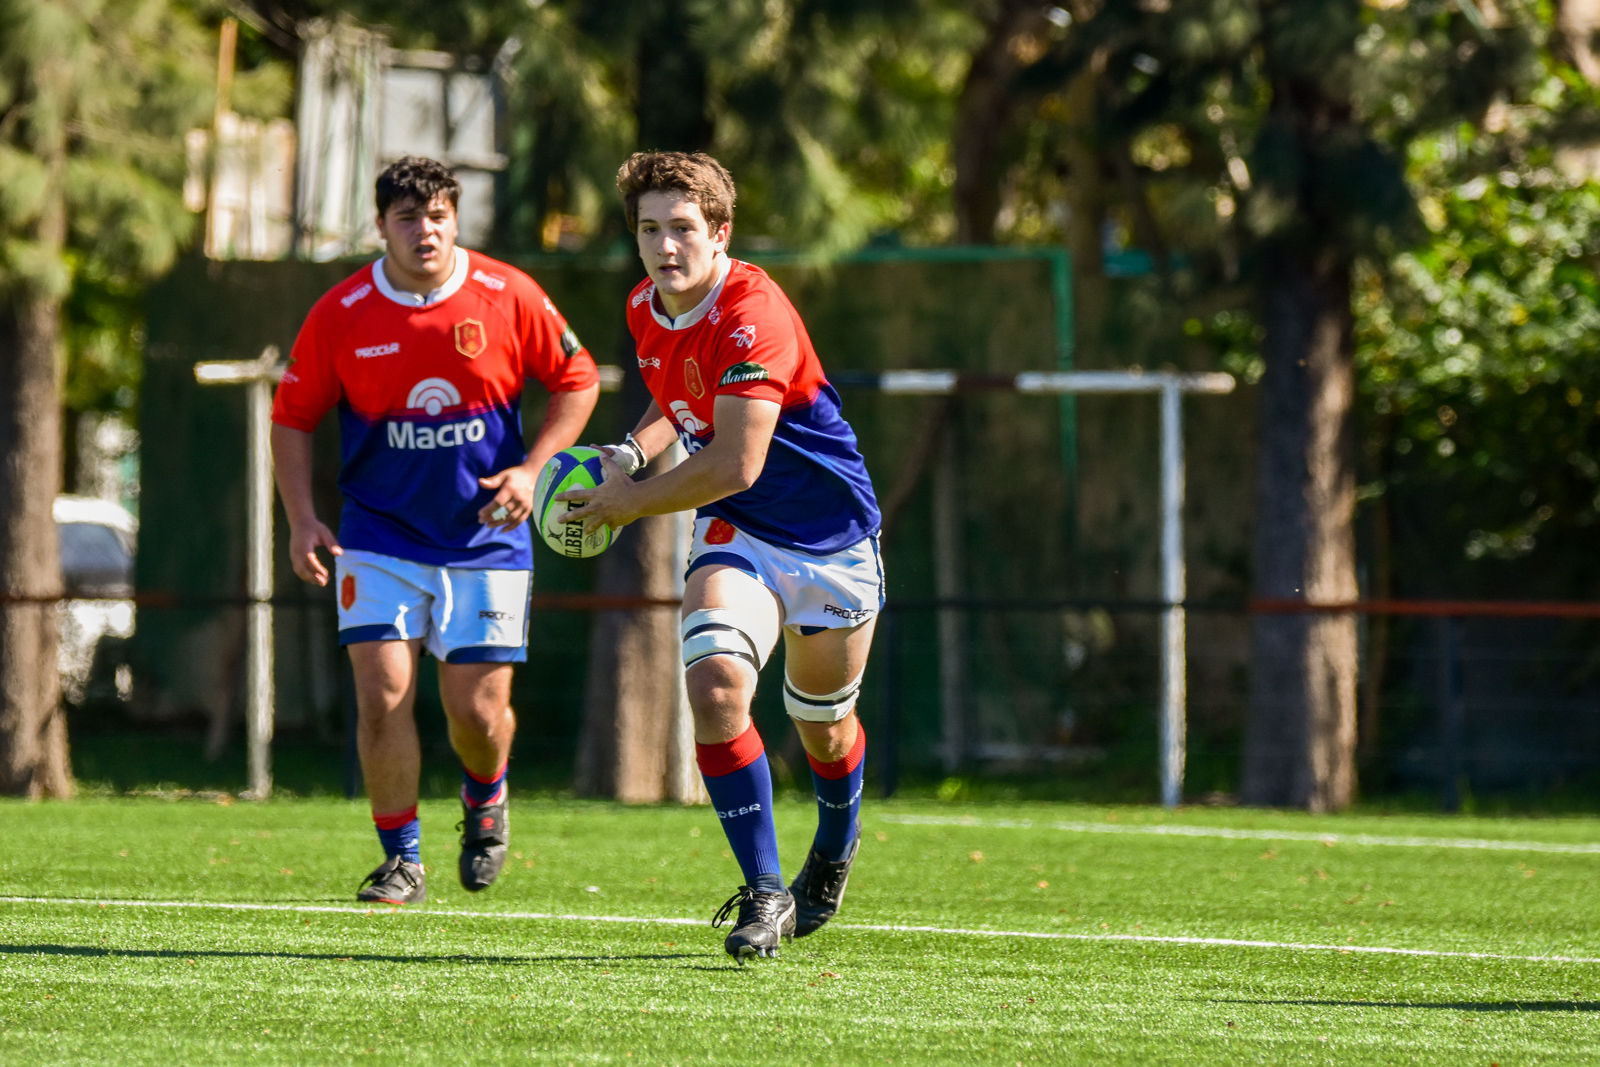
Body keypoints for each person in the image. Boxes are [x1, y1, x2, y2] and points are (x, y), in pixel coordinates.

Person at [557, 151, 882, 961]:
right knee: (716, 687)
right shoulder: (646, 306)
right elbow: (679, 398)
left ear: (721, 232)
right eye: (649, 230)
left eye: (682, 228)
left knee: (823, 726)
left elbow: (737, 460)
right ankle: (766, 890)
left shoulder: (752, 313)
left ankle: (835, 841)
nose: (665, 246)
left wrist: (629, 502)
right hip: (739, 531)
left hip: (832, 539)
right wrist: (631, 451)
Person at [271, 156, 600, 905]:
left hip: (486, 535)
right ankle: (402, 861)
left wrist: (534, 470)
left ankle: (486, 793)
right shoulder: (342, 311)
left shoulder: (507, 293)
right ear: (381, 226)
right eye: (408, 218)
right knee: (382, 696)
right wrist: (301, 519)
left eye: (439, 216)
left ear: (456, 219)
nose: (426, 231)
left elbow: (578, 379)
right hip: (378, 536)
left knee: (475, 712)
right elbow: (291, 416)